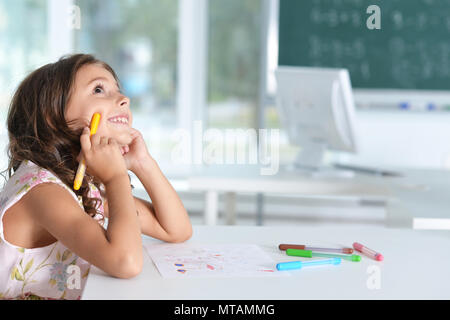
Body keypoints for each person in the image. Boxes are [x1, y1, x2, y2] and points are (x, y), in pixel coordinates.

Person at [0, 54, 192, 300]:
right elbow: (127, 263)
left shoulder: (80, 186)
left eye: (118, 90)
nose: (124, 99)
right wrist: (115, 179)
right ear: (53, 117)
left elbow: (176, 230)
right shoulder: (42, 191)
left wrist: (142, 163)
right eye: (99, 89)